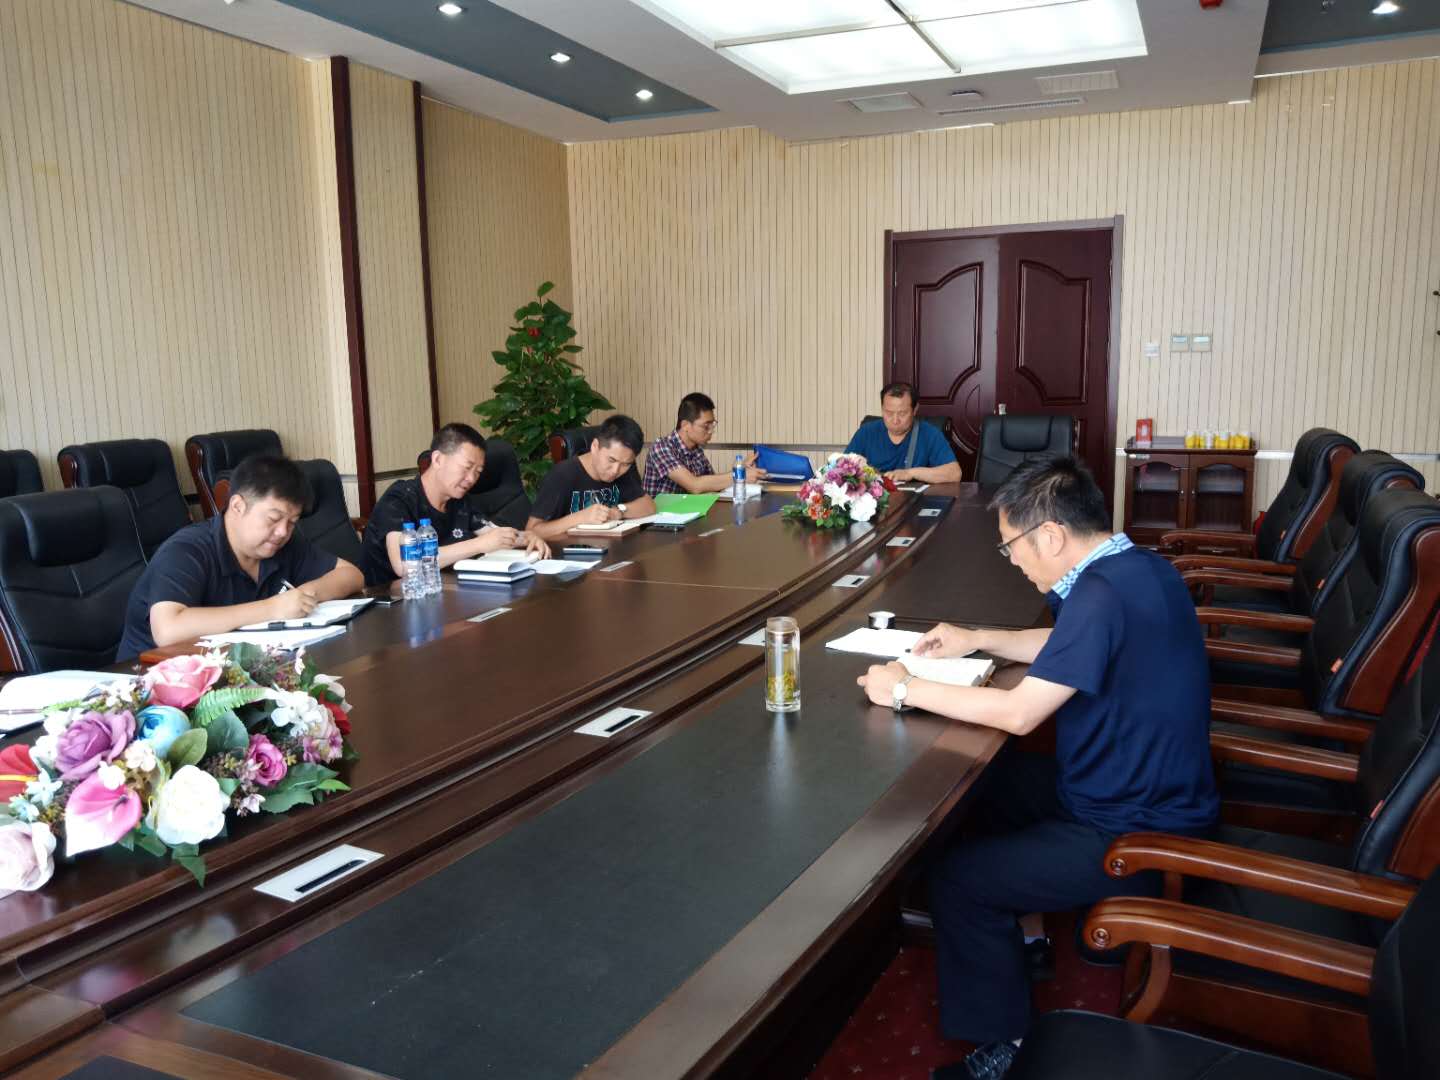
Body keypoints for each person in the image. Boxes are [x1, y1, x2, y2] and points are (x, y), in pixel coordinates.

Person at [857, 456, 1217, 1080]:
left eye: (1011, 546)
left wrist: (904, 688)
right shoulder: (1136, 567)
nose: (1013, 561)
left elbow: (1020, 713)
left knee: (961, 881)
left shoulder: (1101, 594)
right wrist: (978, 637)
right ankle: (1027, 942)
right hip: (1129, 783)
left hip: (1132, 825)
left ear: (1050, 535)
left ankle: (1006, 1049)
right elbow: (1068, 642)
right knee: (981, 791)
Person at [117, 455, 364, 659]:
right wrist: (272, 608)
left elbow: (351, 575)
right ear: (237, 506)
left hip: (237, 671)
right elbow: (168, 630)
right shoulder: (185, 550)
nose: (283, 531)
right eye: (274, 518)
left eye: (292, 522)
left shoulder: (281, 543)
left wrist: (306, 595)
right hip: (148, 682)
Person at [361, 423, 548, 585]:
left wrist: (527, 538)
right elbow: (405, 565)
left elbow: (494, 535)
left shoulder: (459, 500)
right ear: (437, 459)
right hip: (392, 599)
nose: (471, 479)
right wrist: (479, 545)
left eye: (478, 472)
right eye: (466, 468)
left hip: (444, 590)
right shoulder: (399, 499)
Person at [526, 414, 657, 543]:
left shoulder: (623, 468)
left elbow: (648, 505)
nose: (616, 470)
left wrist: (618, 512)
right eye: (611, 460)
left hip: (611, 550)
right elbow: (532, 531)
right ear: (594, 446)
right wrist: (580, 518)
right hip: (569, 553)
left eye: (625, 464)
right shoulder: (562, 475)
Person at [641, 392, 767, 496]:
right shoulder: (661, 447)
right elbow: (694, 485)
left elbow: (713, 485)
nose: (711, 431)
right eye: (706, 426)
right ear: (685, 425)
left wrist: (740, 468)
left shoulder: (696, 450)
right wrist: (739, 475)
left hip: (688, 513)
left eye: (712, 425)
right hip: (661, 517)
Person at [844, 382, 962, 484]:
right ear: (882, 408)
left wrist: (911, 473)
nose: (895, 420)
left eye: (902, 413)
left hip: (913, 500)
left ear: (915, 410)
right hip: (874, 500)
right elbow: (842, 468)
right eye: (889, 413)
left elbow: (955, 474)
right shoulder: (866, 432)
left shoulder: (930, 434)